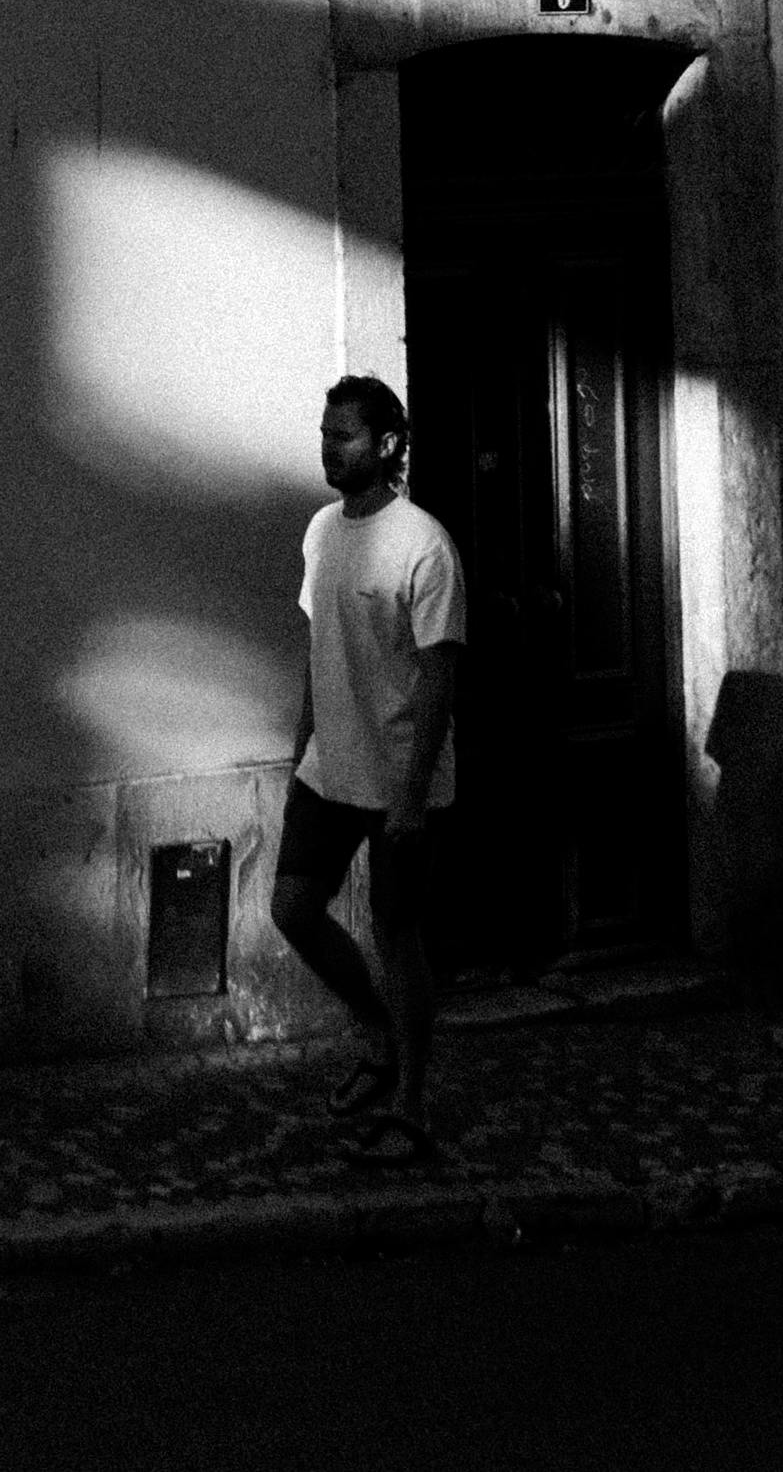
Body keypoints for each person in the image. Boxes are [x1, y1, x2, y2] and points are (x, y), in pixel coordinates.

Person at [270, 370, 464, 1144]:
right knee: (291, 907)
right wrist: (299, 751)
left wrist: (413, 798)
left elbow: (442, 680)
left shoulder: (424, 545)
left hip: (397, 778)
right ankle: (376, 1035)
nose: (329, 449)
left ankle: (410, 1105)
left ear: (385, 445)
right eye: (324, 435)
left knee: (397, 934)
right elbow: (317, 650)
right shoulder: (320, 531)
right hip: (328, 768)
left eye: (342, 436)